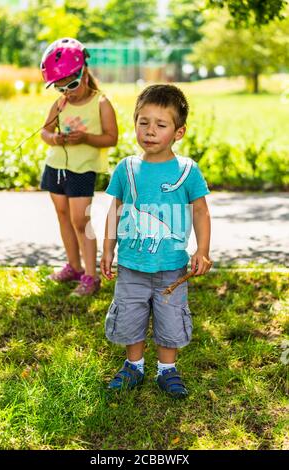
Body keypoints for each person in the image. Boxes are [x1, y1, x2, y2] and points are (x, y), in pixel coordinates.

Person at [100, 84, 212, 398]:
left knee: (171, 318)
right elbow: (116, 210)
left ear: (178, 132)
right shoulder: (127, 169)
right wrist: (107, 248)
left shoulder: (187, 171)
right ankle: (133, 365)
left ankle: (167, 370)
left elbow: (201, 212)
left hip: (172, 268)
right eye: (143, 122)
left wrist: (202, 250)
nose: (150, 131)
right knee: (130, 314)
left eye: (160, 125)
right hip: (132, 265)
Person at [40, 38, 118, 296]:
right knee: (62, 215)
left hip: (82, 169)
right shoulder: (61, 103)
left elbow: (111, 138)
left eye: (71, 85)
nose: (68, 92)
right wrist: (54, 138)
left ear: (84, 72)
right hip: (57, 166)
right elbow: (45, 131)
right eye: (60, 88)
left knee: (80, 219)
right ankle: (73, 267)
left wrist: (85, 138)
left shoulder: (101, 102)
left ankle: (90, 276)